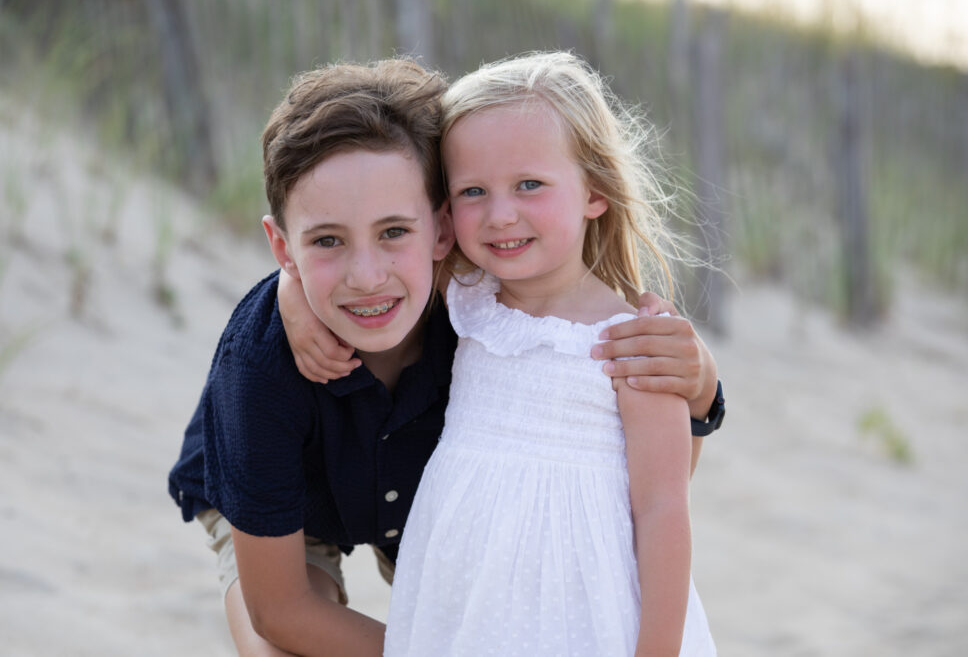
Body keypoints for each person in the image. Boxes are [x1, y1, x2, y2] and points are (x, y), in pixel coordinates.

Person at [168, 58, 723, 657]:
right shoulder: (266, 364)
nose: (367, 276)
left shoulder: (476, 292)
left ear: (438, 230)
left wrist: (702, 382)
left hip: (434, 516)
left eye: (394, 233)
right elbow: (280, 611)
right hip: (296, 506)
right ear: (286, 250)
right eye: (326, 241)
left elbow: (654, 489)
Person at [381, 52, 717, 656]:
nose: (500, 214)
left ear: (595, 191)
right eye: (472, 191)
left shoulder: (632, 341)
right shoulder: (460, 300)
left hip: (580, 610)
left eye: (529, 185)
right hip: (462, 597)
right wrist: (295, 305)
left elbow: (665, 507)